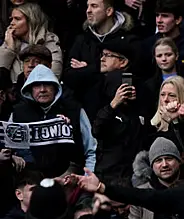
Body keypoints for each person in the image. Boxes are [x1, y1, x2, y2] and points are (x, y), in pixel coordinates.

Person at [10, 65, 97, 178]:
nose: (42, 89)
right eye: (37, 85)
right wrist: (13, 157)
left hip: (70, 179)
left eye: (47, 84)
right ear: (30, 89)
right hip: (30, 181)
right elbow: (7, 148)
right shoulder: (18, 113)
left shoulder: (74, 110)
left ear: (55, 87)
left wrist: (88, 177)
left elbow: (91, 149)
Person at [63, 0, 136, 116]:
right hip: (85, 112)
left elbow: (131, 74)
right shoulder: (81, 40)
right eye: (87, 6)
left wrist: (85, 69)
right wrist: (98, 68)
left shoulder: (128, 39)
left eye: (94, 6)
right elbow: (69, 77)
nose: (88, 11)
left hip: (118, 115)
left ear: (109, 11)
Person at [93, 39, 143, 183]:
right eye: (102, 54)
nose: (102, 59)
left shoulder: (141, 89)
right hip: (108, 170)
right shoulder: (98, 90)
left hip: (129, 169)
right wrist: (113, 104)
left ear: (123, 62)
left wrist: (132, 105)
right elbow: (97, 130)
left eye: (108, 55)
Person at [0, 3, 63, 81]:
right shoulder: (10, 40)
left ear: (31, 21)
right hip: (14, 91)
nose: (12, 23)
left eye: (17, 19)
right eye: (11, 19)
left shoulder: (49, 40)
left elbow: (54, 75)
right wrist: (9, 49)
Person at [140, 0, 184, 74]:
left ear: (178, 20)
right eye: (157, 15)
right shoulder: (147, 45)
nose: (159, 20)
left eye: (165, 16)